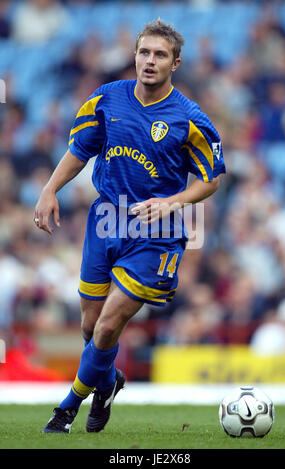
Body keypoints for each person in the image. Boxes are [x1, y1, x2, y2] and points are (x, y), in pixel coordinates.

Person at [34, 19, 226, 434]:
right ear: (134, 56)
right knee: (89, 327)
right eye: (144, 52)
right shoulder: (106, 99)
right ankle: (107, 385)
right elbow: (79, 151)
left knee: (107, 324)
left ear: (176, 63)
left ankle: (67, 408)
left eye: (160, 55)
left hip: (155, 235)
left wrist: (172, 202)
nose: (150, 61)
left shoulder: (190, 119)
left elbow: (211, 178)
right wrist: (50, 189)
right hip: (105, 222)